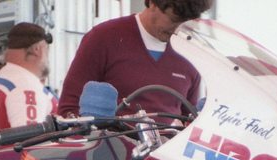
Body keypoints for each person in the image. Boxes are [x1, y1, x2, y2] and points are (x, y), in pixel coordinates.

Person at [58, 0, 213, 118]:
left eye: (187, 23)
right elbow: (69, 109)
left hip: (164, 156)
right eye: (174, 19)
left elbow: (190, 119)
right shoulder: (103, 38)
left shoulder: (189, 53)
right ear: (152, 3)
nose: (178, 29)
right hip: (110, 155)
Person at [0, 22, 58, 133]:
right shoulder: (25, 84)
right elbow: (31, 142)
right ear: (37, 49)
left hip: (5, 150)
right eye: (46, 50)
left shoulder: (6, 76)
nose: (47, 57)